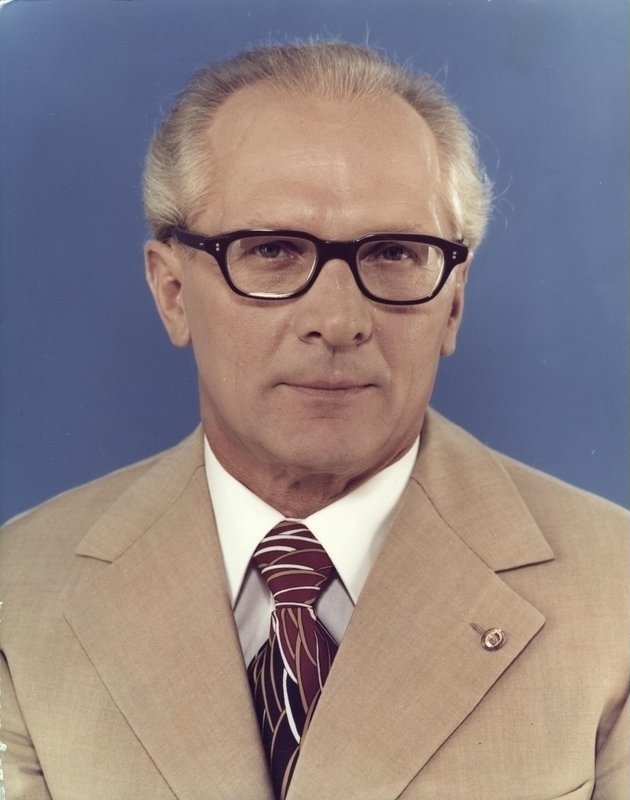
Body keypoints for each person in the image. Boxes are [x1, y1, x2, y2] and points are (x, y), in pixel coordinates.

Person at [0, 41, 627, 800]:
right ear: (173, 294)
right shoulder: (18, 594)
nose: (337, 320)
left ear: (454, 300)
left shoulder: (616, 593)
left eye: (395, 252)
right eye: (271, 250)